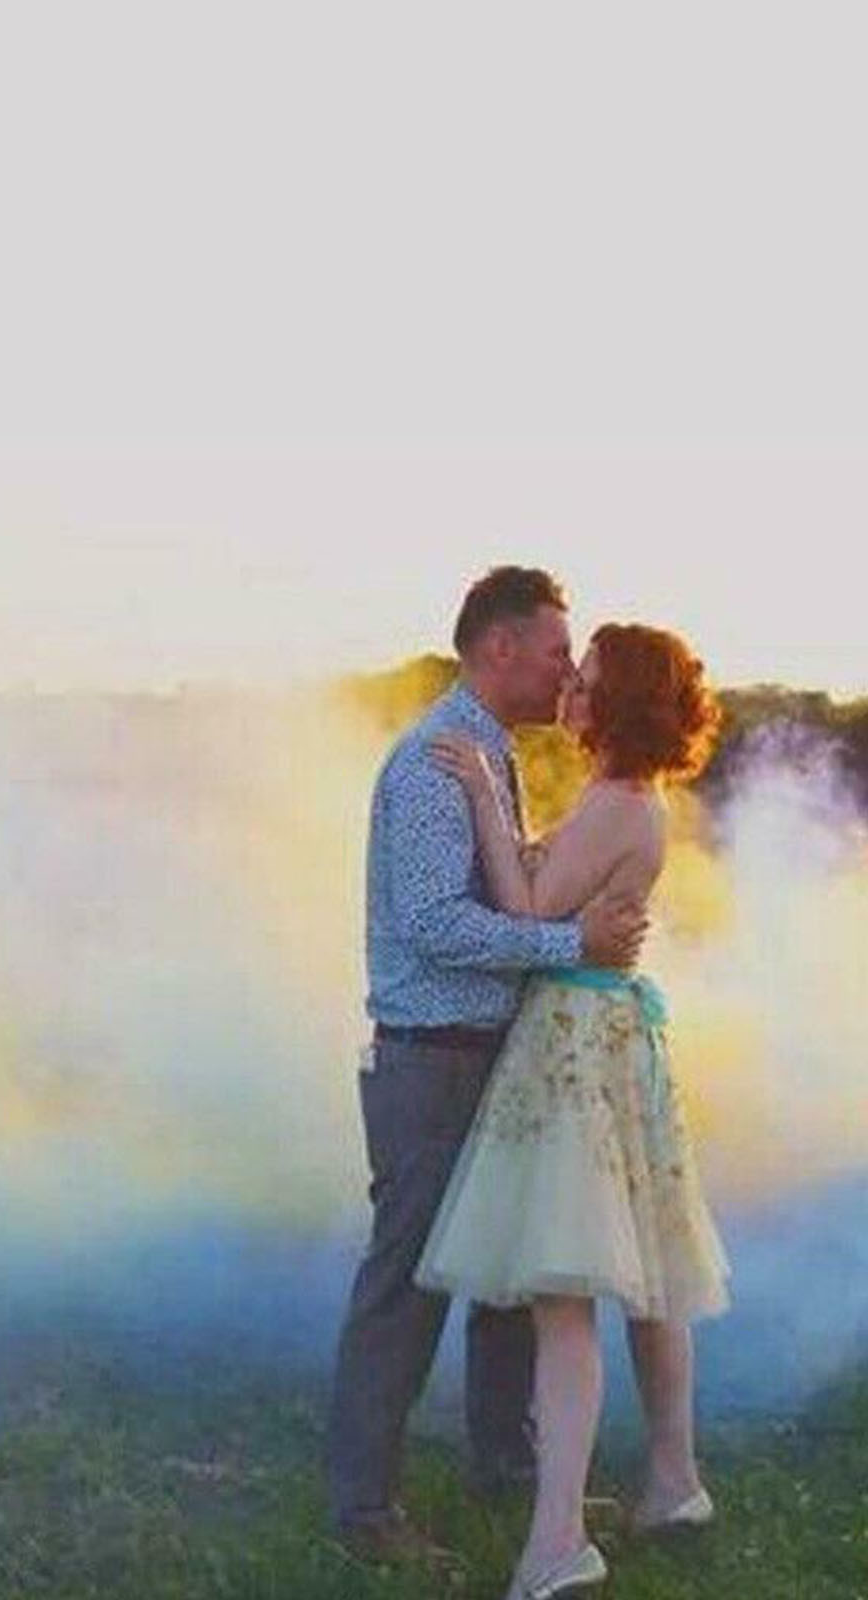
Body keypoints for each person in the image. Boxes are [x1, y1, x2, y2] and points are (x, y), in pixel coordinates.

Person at [327, 567, 649, 1568]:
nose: (566, 670)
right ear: (500, 648)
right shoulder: (436, 762)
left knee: (511, 1273)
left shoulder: (489, 752)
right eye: (556, 651)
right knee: (409, 1281)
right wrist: (571, 945)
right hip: (433, 1062)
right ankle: (363, 1509)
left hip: (486, 1053)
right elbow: (436, 925)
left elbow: (507, 889)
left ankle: (505, 1464)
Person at [417, 622, 730, 1599]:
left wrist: (481, 796)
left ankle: (557, 1540)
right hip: (609, 1038)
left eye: (588, 680)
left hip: (576, 1047)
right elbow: (554, 894)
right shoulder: (629, 798)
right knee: (648, 1275)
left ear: (621, 703)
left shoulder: (616, 803)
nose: (572, 691)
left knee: (566, 1296)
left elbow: (525, 911)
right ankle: (673, 1482)